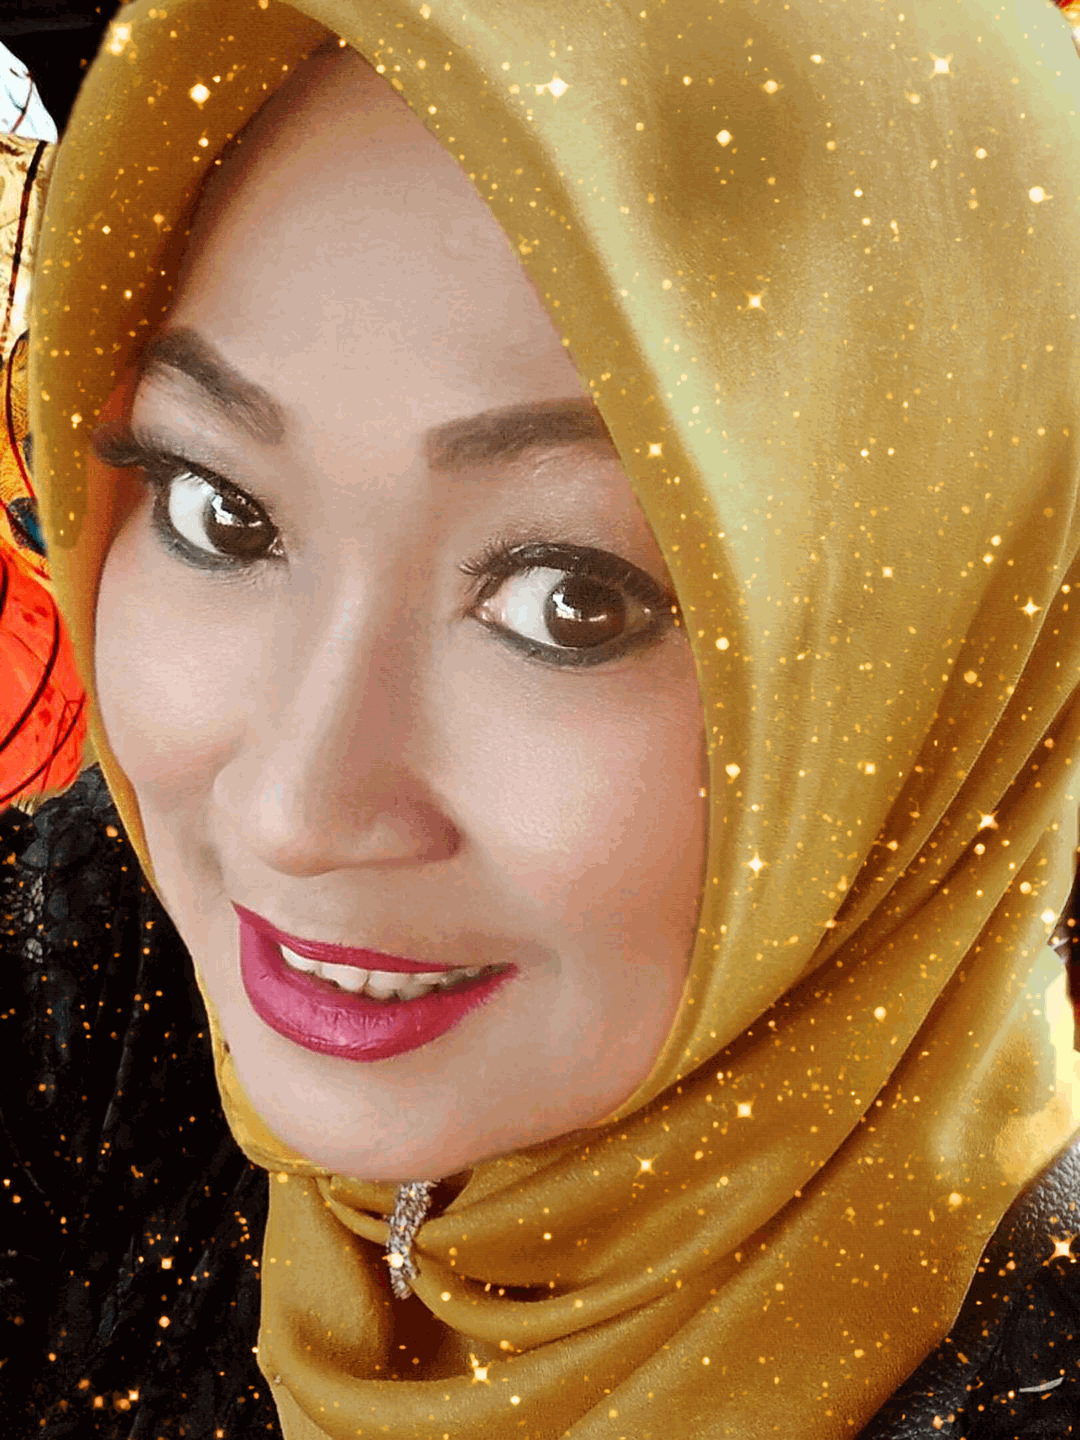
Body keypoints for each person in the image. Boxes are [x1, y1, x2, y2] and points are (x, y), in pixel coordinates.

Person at [4, 0, 1080, 1434]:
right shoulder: (97, 982)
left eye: (572, 602)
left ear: (943, 678)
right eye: (222, 512)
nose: (293, 813)